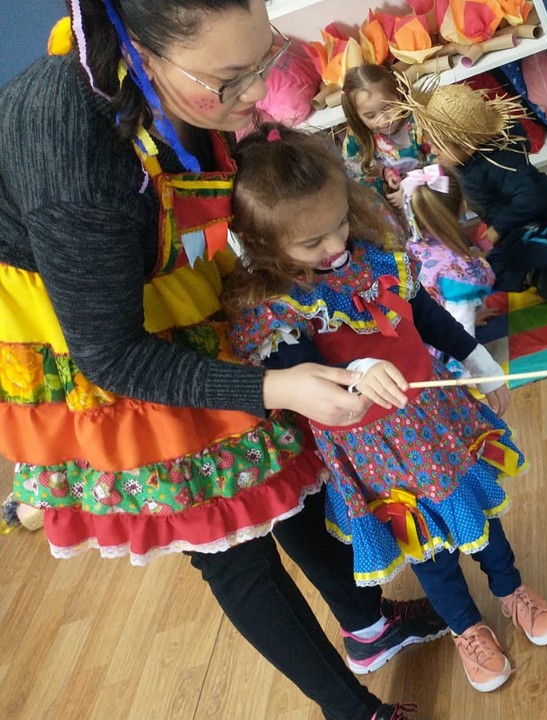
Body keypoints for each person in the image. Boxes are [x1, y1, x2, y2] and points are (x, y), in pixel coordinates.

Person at [0, 2, 442, 718]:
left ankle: (368, 625)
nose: (256, 93)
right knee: (229, 541)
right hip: (100, 335)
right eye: (231, 79)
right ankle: (350, 709)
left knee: (282, 472)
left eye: (264, 60)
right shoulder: (73, 155)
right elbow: (112, 355)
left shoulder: (174, 82)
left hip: (166, 281)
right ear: (144, 53)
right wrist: (274, 385)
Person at [225, 124, 547, 695]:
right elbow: (305, 375)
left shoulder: (375, 257)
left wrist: (477, 358)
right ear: (263, 244)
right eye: (312, 243)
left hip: (436, 418)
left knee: (478, 513)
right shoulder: (280, 307)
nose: (335, 246)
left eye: (340, 224)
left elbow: (425, 316)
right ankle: (466, 628)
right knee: (426, 547)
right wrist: (359, 370)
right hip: (375, 450)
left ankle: (512, 591)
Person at [399, 81, 547, 300]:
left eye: (439, 146)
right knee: (481, 265)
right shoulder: (463, 164)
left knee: (518, 248)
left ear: (467, 145)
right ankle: (534, 276)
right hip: (513, 230)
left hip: (546, 220)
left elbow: (533, 196)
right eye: (432, 145)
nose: (434, 151)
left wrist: (500, 226)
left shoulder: (499, 163)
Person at [400, 164, 495, 340]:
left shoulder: (414, 245)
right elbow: (461, 342)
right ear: (463, 205)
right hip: (440, 347)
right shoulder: (458, 274)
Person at [341, 64, 434, 211]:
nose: (383, 120)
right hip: (391, 203)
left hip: (428, 195)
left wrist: (411, 188)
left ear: (399, 94)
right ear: (356, 115)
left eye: (388, 107)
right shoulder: (359, 133)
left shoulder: (419, 124)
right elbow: (353, 162)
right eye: (370, 116)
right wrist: (383, 171)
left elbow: (440, 166)